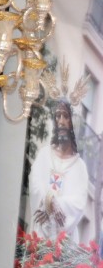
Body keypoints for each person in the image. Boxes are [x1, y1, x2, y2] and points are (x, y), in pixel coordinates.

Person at [28, 100, 95, 246]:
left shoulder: (80, 167)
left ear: (73, 122)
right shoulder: (44, 155)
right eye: (57, 116)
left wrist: (56, 206)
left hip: (65, 243)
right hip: (39, 234)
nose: (61, 121)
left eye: (65, 116)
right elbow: (35, 185)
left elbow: (78, 203)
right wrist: (50, 201)